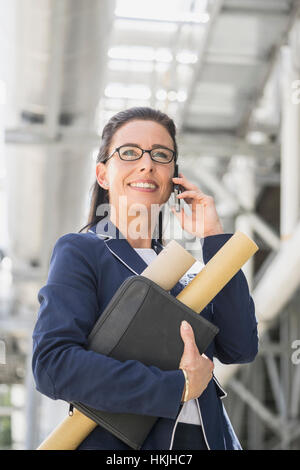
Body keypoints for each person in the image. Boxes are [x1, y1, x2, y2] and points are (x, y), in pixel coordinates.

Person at [32, 107, 258, 450]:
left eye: (161, 155)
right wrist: (175, 387)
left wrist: (213, 237)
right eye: (129, 152)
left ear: (173, 178)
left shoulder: (191, 270)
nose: (146, 163)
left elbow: (240, 347)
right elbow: (53, 365)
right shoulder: (83, 251)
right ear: (104, 175)